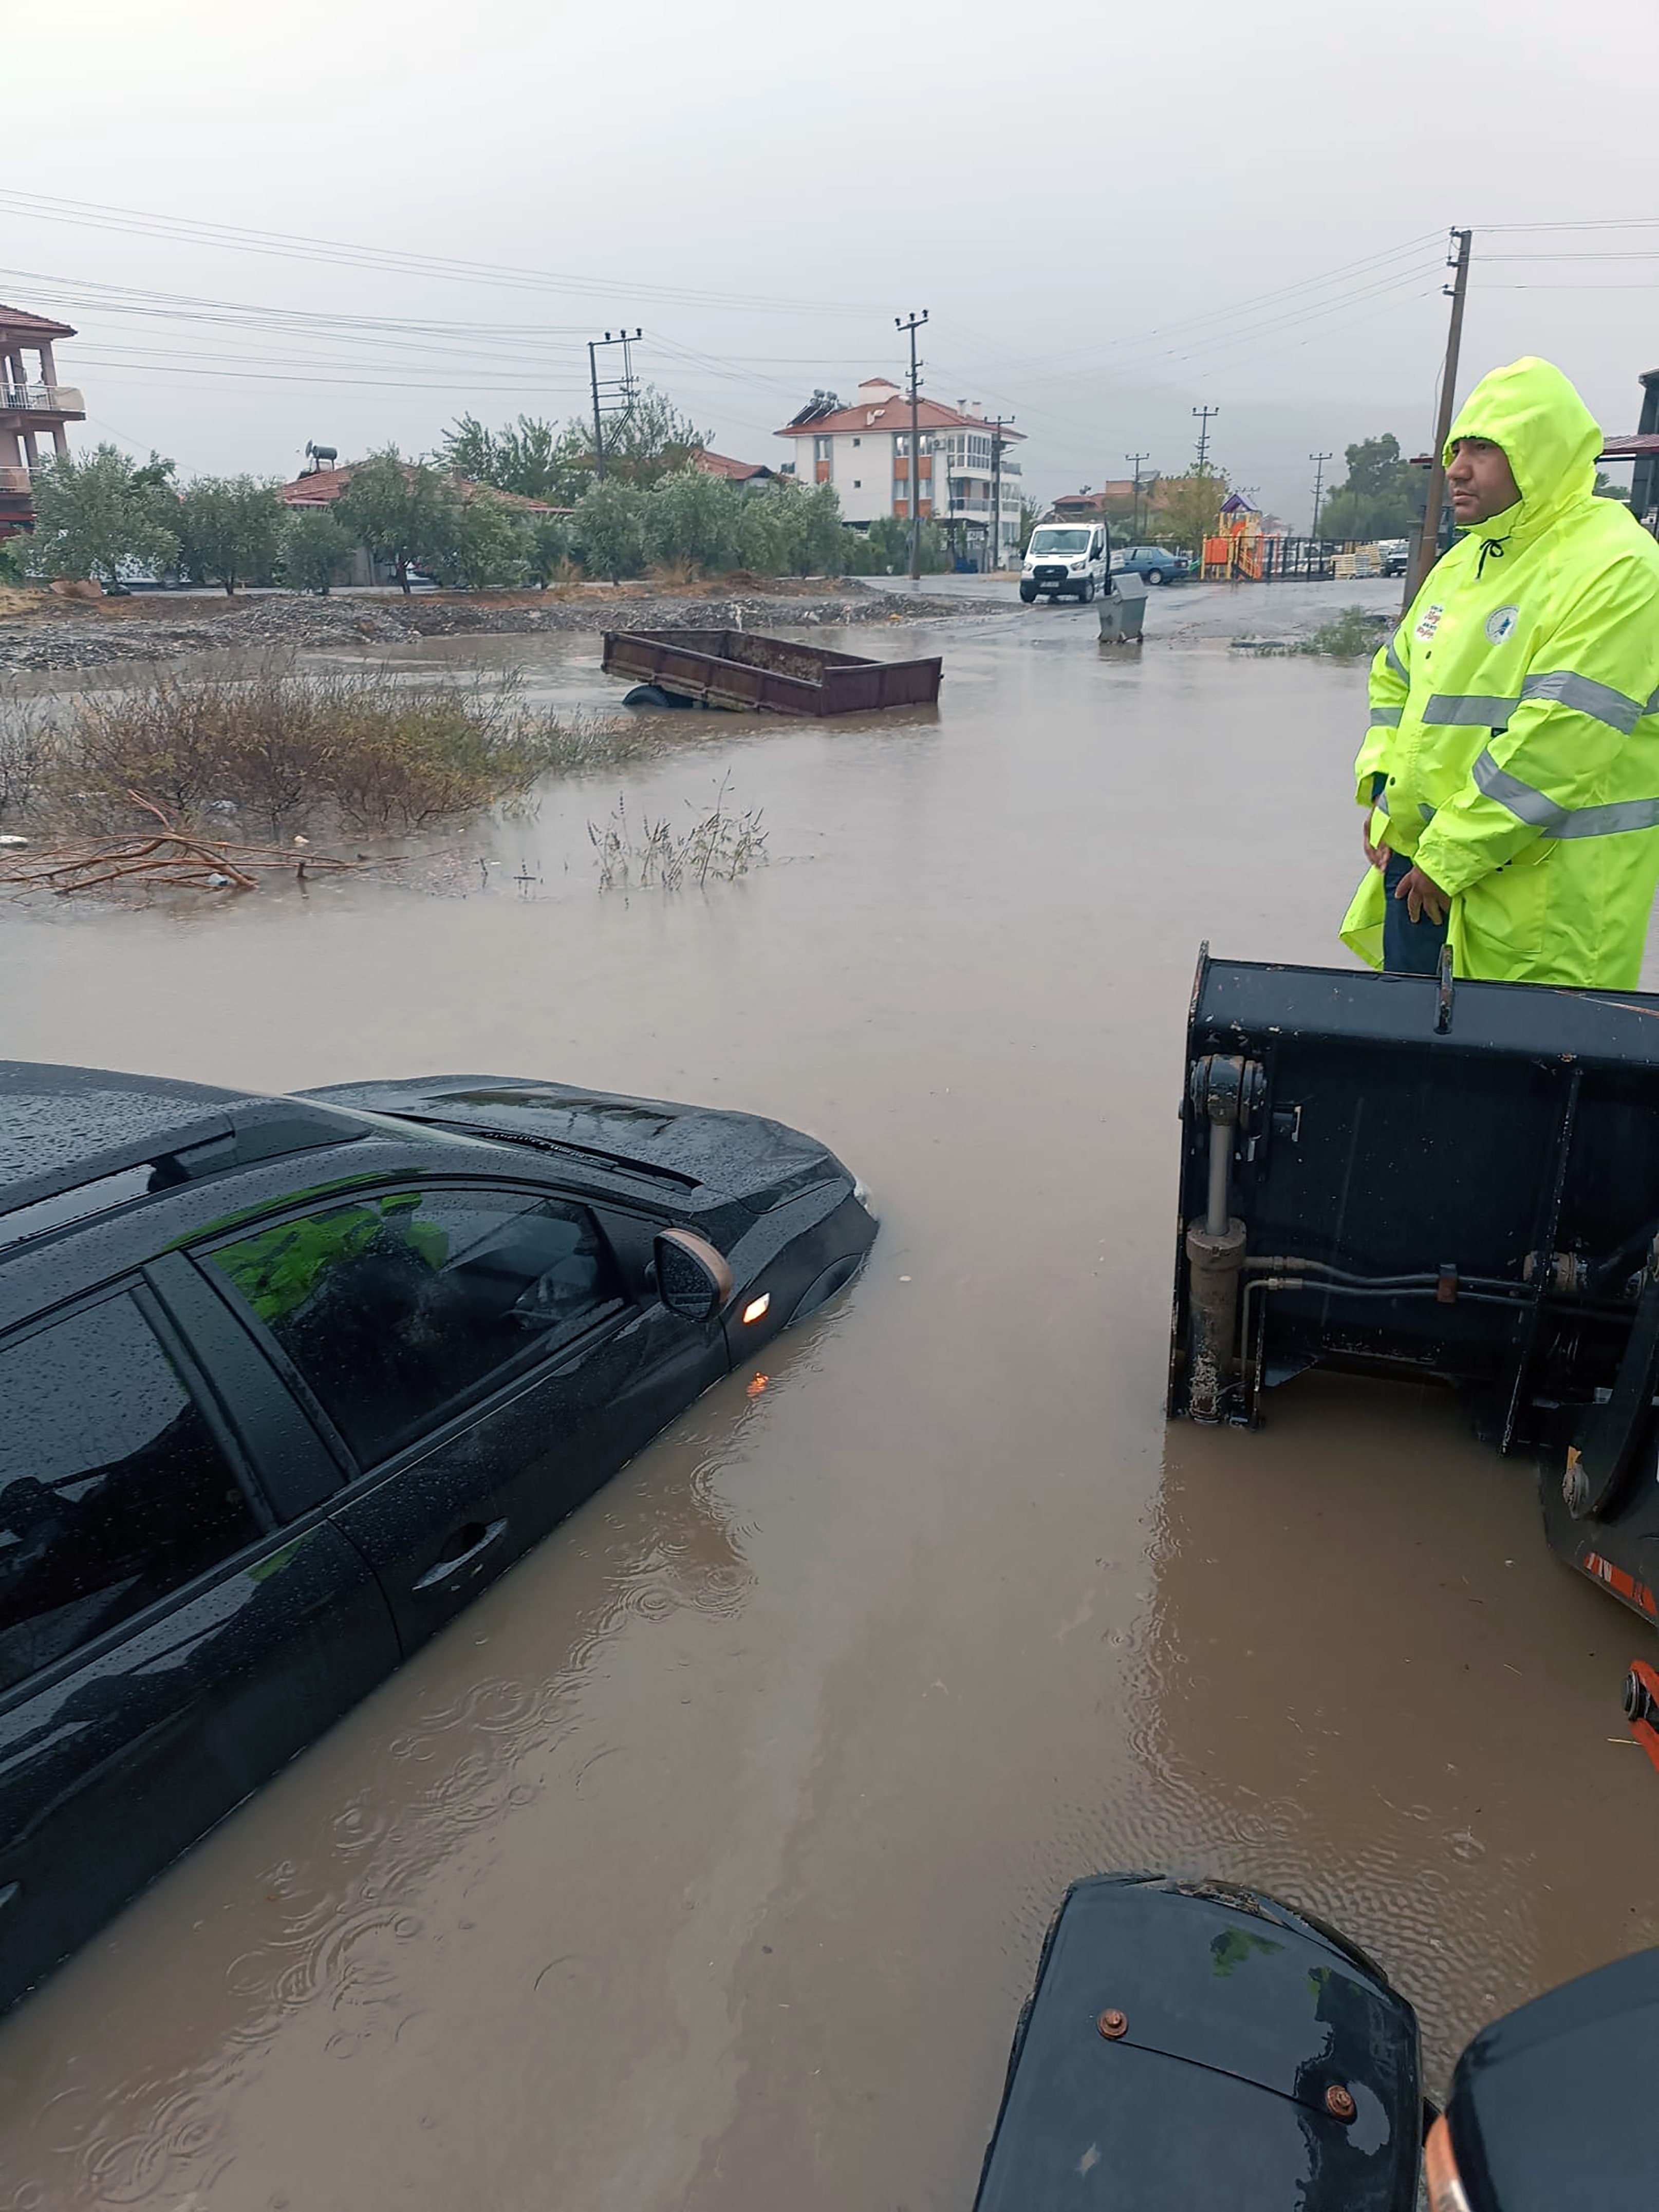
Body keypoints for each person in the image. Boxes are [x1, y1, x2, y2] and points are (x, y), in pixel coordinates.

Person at [1341, 357, 1659, 987]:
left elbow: (1558, 740)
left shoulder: (1616, 565)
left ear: (1539, 454)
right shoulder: (1466, 563)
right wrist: (1383, 793)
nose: (1456, 468)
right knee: (1408, 1044)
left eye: (1483, 448)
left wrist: (1449, 854)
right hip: (1419, 874)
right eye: (1457, 448)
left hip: (1542, 904)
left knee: (1523, 1051)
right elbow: (1395, 681)